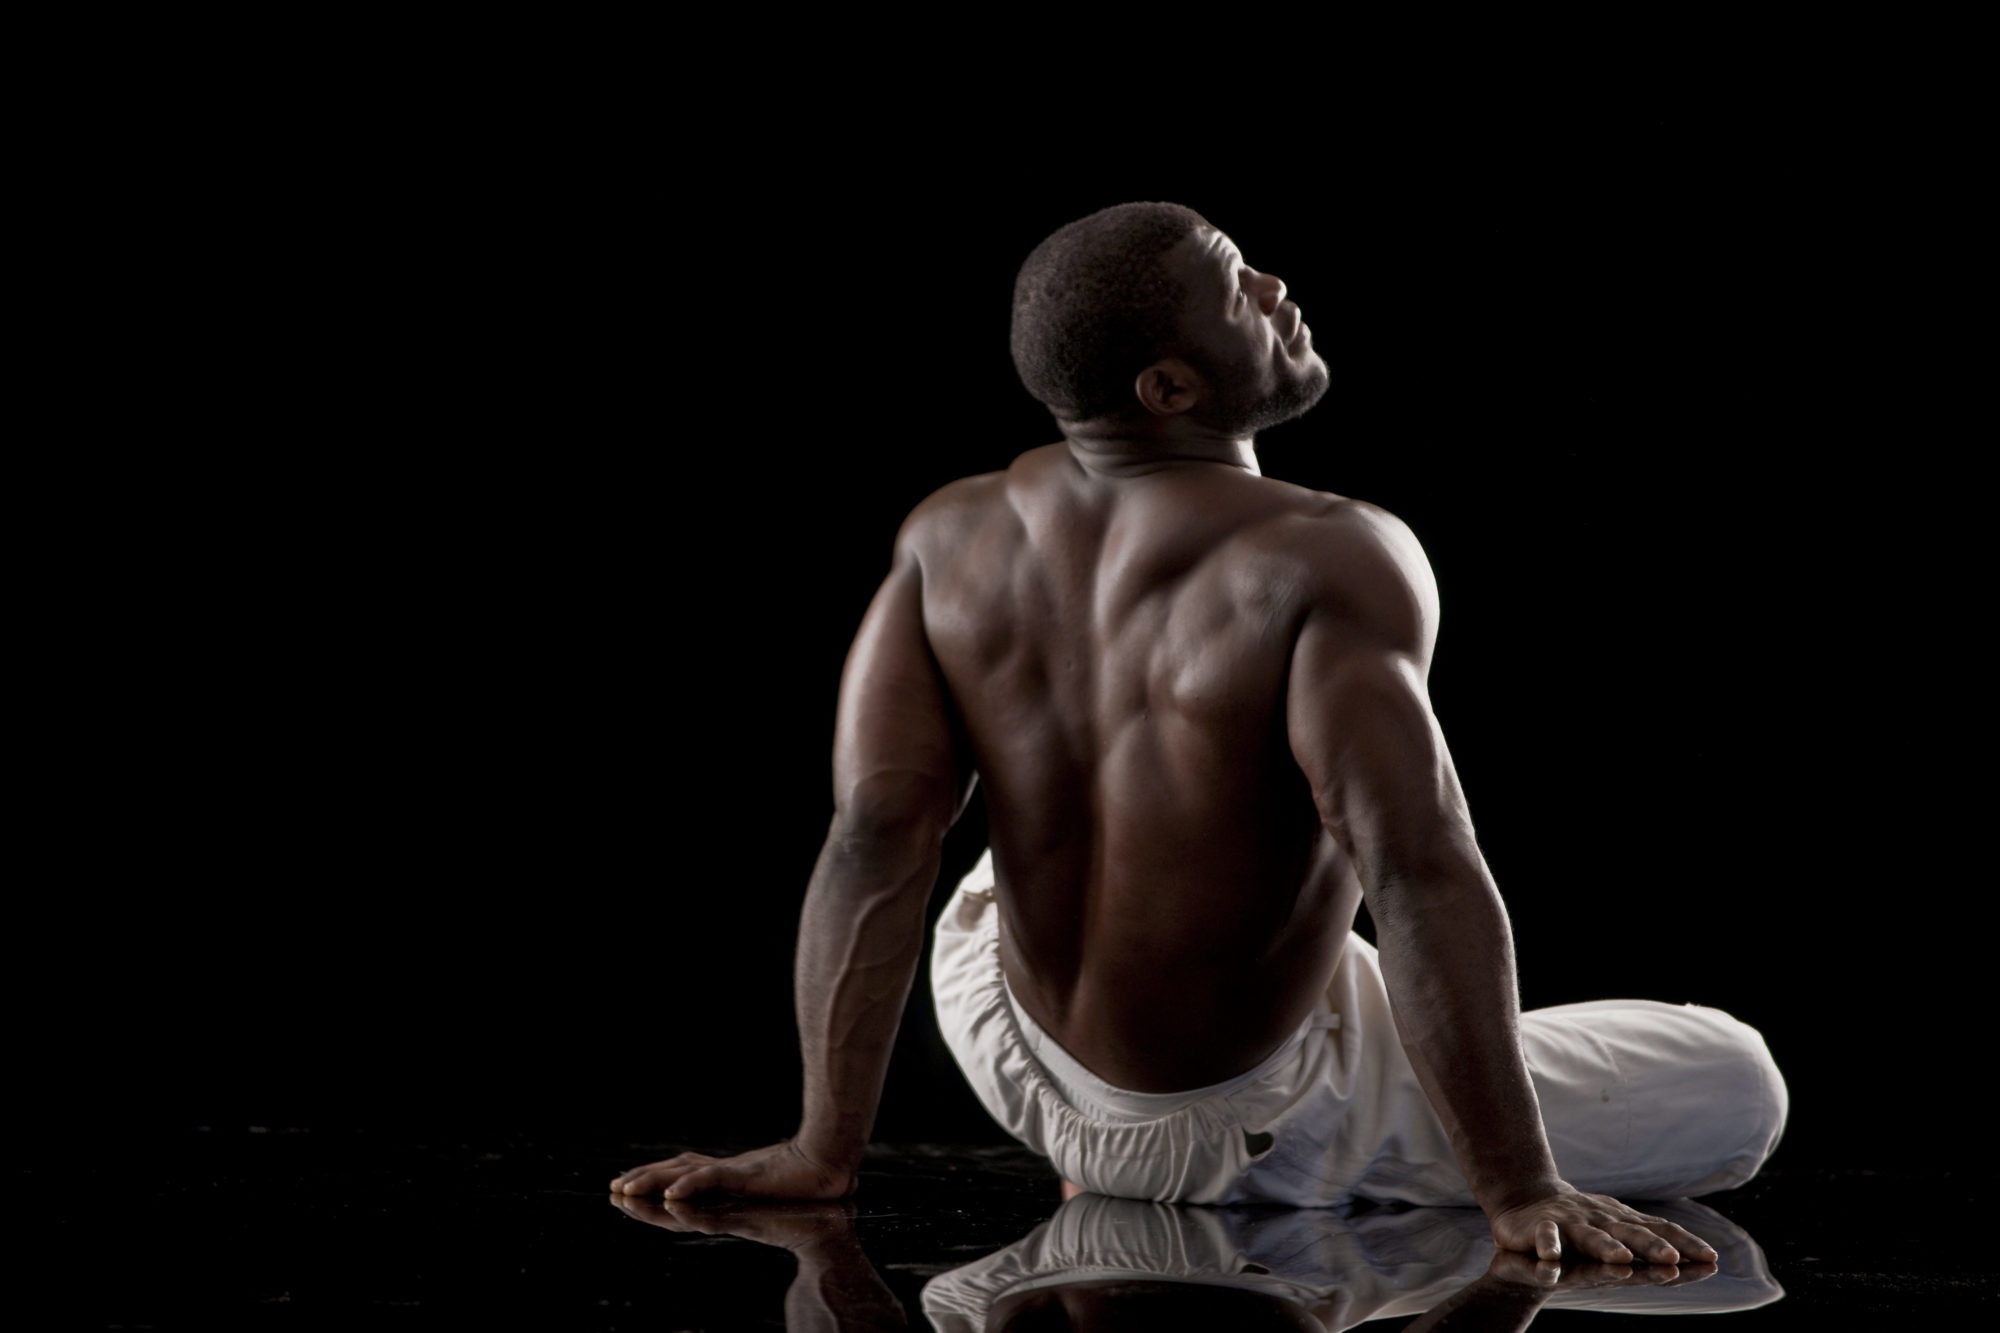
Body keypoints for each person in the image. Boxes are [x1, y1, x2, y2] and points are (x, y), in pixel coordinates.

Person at [612, 202, 1787, 1264]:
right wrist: (1519, 1187)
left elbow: (876, 836)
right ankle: (1280, 1166)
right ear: (1168, 390)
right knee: (1737, 1075)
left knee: (1165, 827)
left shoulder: (946, 533)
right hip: (1228, 1129)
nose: (1274, 286)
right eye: (1237, 288)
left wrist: (823, 1148)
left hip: (1000, 1036)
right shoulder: (1331, 551)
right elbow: (1416, 865)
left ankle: (1149, 1115)